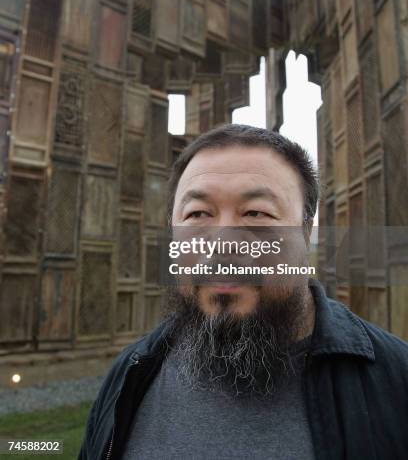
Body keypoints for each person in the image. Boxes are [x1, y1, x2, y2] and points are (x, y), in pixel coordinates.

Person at [78, 124, 408, 460]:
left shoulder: (397, 382)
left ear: (306, 233)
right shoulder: (130, 374)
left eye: (256, 213)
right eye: (198, 214)